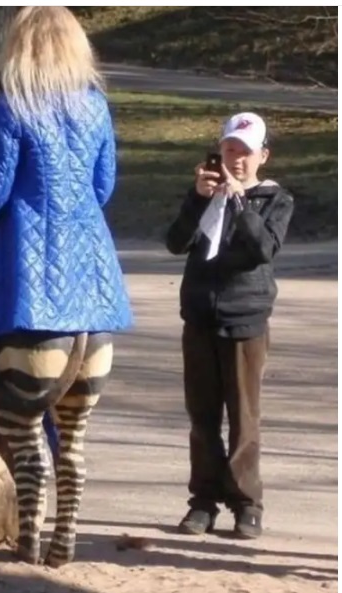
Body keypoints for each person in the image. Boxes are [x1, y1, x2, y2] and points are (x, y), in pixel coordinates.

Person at [0, 6, 133, 338]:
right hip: (89, 262)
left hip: (24, 263)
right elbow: (103, 186)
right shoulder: (95, 104)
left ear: (19, 45)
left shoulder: (9, 105)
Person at [165, 112, 294, 538]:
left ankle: (246, 503)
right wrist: (198, 198)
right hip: (199, 317)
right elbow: (175, 242)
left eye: (245, 152)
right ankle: (202, 502)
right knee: (201, 418)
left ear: (263, 156)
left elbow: (263, 249)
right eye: (229, 150)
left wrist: (241, 203)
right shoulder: (206, 195)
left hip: (245, 320)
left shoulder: (275, 199)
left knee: (244, 418)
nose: (236, 160)